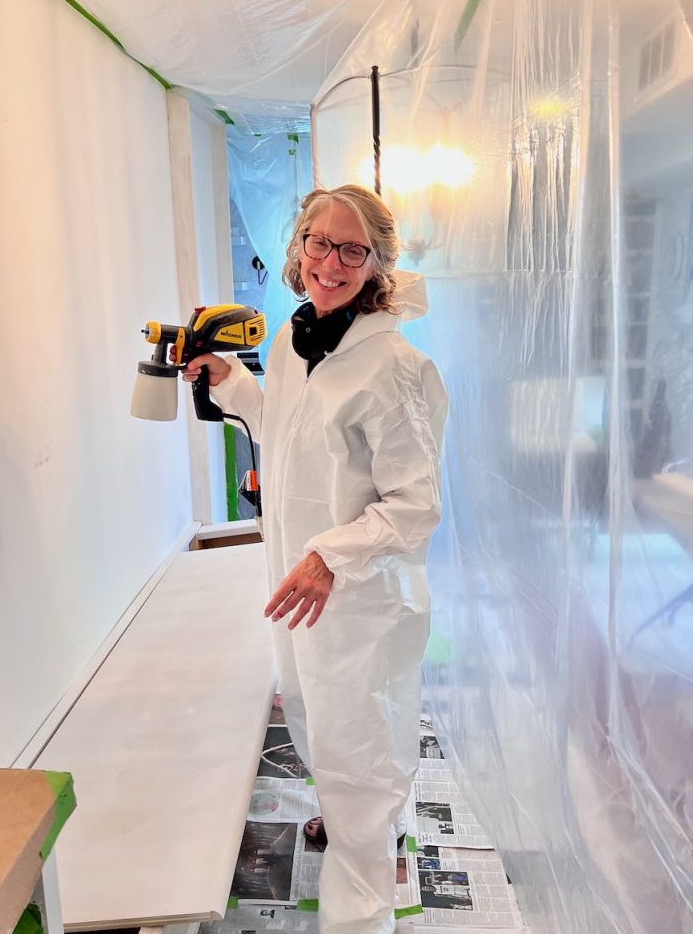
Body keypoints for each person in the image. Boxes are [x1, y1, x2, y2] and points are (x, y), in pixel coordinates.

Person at [184, 185, 448, 934]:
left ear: (377, 264)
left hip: (358, 595)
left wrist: (330, 556)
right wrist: (233, 384)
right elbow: (289, 435)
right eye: (318, 243)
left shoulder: (391, 366)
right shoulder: (296, 340)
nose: (330, 262)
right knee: (313, 714)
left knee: (356, 737)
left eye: (351, 249)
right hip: (301, 584)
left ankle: (359, 910)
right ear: (299, 248)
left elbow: (414, 504)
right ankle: (348, 815)